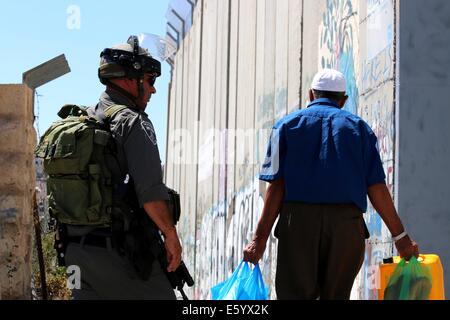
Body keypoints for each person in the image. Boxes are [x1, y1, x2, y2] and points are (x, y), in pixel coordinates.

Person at [243, 69, 419, 300]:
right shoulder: (360, 129)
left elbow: (276, 187)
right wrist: (401, 238)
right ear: (343, 100)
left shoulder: (285, 127)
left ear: (311, 95)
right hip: (346, 228)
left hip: (298, 226)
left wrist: (259, 240)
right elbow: (376, 187)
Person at [63, 36, 182, 299]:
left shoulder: (84, 120)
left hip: (76, 254)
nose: (153, 90)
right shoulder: (132, 122)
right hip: (121, 254)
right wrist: (170, 235)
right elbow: (150, 191)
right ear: (129, 79)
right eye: (150, 80)